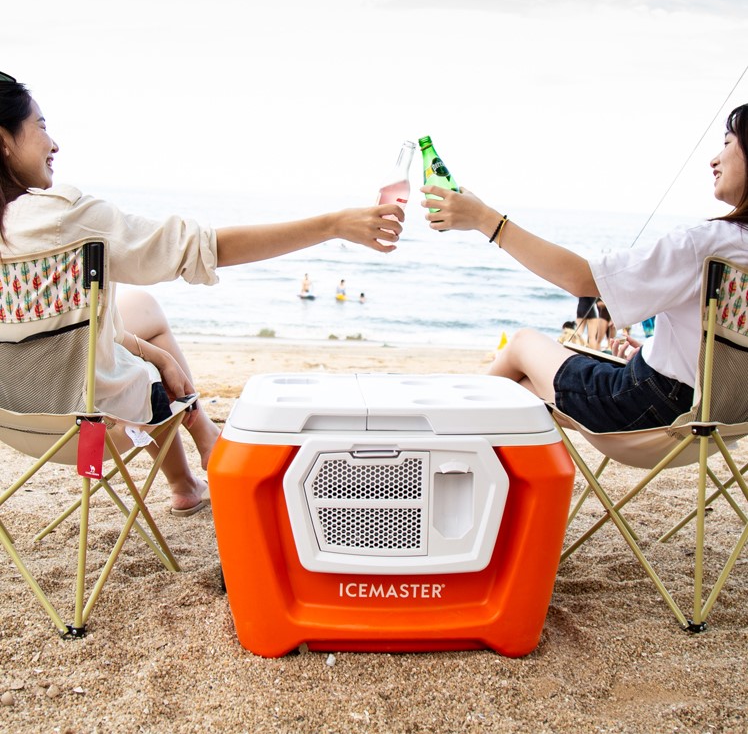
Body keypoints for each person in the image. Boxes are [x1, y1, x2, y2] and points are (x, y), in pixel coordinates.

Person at [0, 72, 403, 514]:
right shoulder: (61, 219)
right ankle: (197, 443)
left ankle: (191, 463)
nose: (54, 143)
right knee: (149, 326)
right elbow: (202, 248)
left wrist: (157, 356)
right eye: (41, 126)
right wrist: (333, 226)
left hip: (14, 420)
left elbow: (55, 331)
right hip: (91, 426)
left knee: (142, 310)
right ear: (4, 140)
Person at [420, 104, 748, 434]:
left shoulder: (706, 242)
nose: (714, 159)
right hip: (722, 416)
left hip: (649, 410)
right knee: (520, 390)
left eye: (727, 143)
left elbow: (581, 279)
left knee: (520, 343)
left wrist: (485, 220)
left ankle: (448, 436)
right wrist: (658, 353)